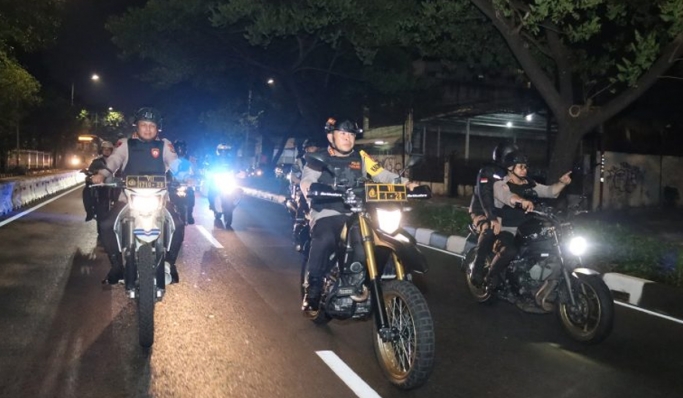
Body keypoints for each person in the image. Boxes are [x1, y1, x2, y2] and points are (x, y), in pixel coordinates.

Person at [299, 117, 418, 311]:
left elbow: (383, 175)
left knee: (368, 239)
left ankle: (358, 280)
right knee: (324, 237)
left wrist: (407, 184)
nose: (348, 138)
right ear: (331, 136)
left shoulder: (361, 158)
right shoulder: (319, 158)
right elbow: (307, 181)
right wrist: (312, 189)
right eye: (343, 134)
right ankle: (314, 286)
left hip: (358, 212)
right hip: (328, 211)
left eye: (352, 134)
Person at [91, 107, 187, 286]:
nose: (148, 129)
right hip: (128, 198)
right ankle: (117, 265)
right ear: (137, 126)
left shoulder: (164, 145)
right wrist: (103, 174)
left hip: (159, 199)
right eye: (144, 125)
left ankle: (169, 263)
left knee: (179, 224)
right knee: (106, 225)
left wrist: (187, 176)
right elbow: (114, 160)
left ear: (158, 128)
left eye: (152, 125)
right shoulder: (125, 144)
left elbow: (175, 163)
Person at [486, 150, 572, 290]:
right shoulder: (501, 185)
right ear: (510, 168)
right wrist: (521, 201)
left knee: (550, 247)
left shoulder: (529, 184)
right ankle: (490, 277)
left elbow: (549, 191)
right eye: (520, 167)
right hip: (507, 228)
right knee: (510, 251)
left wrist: (562, 184)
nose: (524, 170)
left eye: (525, 167)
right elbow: (509, 197)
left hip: (527, 227)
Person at [468, 142, 517, 286]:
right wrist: (491, 216)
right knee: (488, 230)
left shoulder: (515, 173)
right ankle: (477, 268)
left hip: (504, 213)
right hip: (482, 210)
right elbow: (485, 194)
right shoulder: (488, 171)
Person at [83, 141, 114, 223]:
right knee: (87, 190)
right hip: (102, 185)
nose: (106, 151)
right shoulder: (97, 161)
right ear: (101, 150)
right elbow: (91, 171)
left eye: (109, 149)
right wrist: (90, 174)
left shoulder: (117, 160)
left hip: (116, 185)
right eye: (105, 149)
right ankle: (89, 212)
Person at [207, 143, 236, 214]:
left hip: (227, 179)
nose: (224, 153)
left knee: (236, 191)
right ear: (219, 151)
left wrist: (238, 171)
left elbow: (235, 167)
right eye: (222, 151)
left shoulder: (231, 160)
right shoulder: (214, 159)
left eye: (225, 151)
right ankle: (212, 204)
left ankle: (232, 203)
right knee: (211, 190)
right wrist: (209, 169)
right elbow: (210, 166)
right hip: (217, 179)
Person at [172, 139, 195, 224]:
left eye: (182, 148)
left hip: (186, 184)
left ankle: (189, 214)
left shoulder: (190, 160)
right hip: (173, 185)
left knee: (191, 193)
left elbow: (194, 171)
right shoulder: (170, 160)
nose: (180, 150)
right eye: (178, 148)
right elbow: (166, 172)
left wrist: (195, 178)